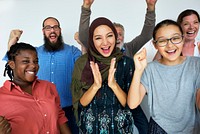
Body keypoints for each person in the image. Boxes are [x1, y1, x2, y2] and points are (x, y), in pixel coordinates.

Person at [77, 0, 157, 133]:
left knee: (144, 126)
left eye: (120, 34)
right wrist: (86, 8)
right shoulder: (94, 55)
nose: (116, 38)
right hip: (102, 105)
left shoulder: (129, 48)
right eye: (113, 34)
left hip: (128, 98)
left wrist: (151, 9)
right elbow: (85, 36)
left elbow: (146, 34)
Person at [5, 17, 81, 134]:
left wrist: (83, 44)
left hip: (69, 111)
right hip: (39, 110)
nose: (52, 30)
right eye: (48, 28)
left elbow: (86, 67)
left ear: (60, 30)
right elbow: (15, 61)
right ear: (43, 31)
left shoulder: (72, 51)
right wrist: (11, 43)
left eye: (55, 27)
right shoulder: (34, 52)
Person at [127, 19, 200, 133]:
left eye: (175, 38)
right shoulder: (150, 69)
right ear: (155, 45)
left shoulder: (196, 64)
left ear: (182, 39)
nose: (170, 45)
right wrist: (138, 70)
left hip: (192, 129)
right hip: (160, 129)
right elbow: (132, 104)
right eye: (162, 41)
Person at [71, 17, 139, 133]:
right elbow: (81, 103)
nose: (105, 43)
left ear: (115, 37)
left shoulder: (127, 63)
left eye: (109, 36)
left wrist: (113, 85)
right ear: (92, 40)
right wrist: (95, 86)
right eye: (98, 38)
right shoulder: (83, 63)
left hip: (120, 129)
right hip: (90, 128)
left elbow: (129, 104)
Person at [0, 42, 71, 134]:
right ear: (12, 64)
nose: (33, 65)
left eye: (36, 61)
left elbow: (60, 117)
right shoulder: (2, 97)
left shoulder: (49, 87)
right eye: (26, 61)